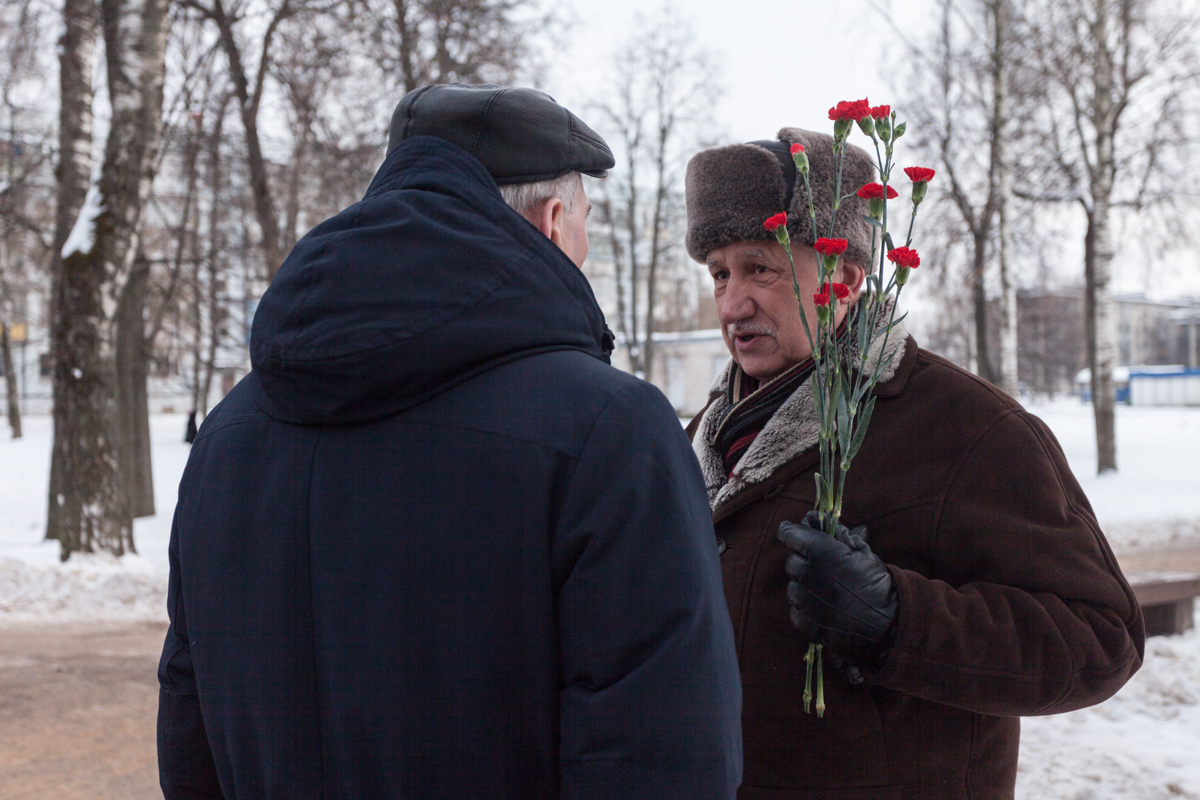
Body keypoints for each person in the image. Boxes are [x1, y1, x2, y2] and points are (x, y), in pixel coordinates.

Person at [157, 84, 742, 800]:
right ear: (555, 221)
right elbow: (665, 760)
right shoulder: (610, 432)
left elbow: (191, 731)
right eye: (588, 221)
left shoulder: (227, 435)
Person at [682, 128, 1144, 799]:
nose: (732, 304)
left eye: (762, 268)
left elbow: (1101, 640)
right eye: (720, 273)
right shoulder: (699, 436)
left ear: (843, 276)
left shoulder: (969, 429)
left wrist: (898, 622)